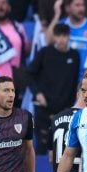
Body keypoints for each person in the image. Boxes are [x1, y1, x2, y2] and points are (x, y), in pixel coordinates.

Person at [27, 23, 80, 155]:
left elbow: (75, 81)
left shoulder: (75, 56)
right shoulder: (45, 52)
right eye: (58, 36)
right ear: (54, 37)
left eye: (64, 36)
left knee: (64, 146)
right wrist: (37, 93)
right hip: (44, 107)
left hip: (65, 109)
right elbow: (29, 74)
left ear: (69, 37)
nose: (61, 39)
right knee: (42, 145)